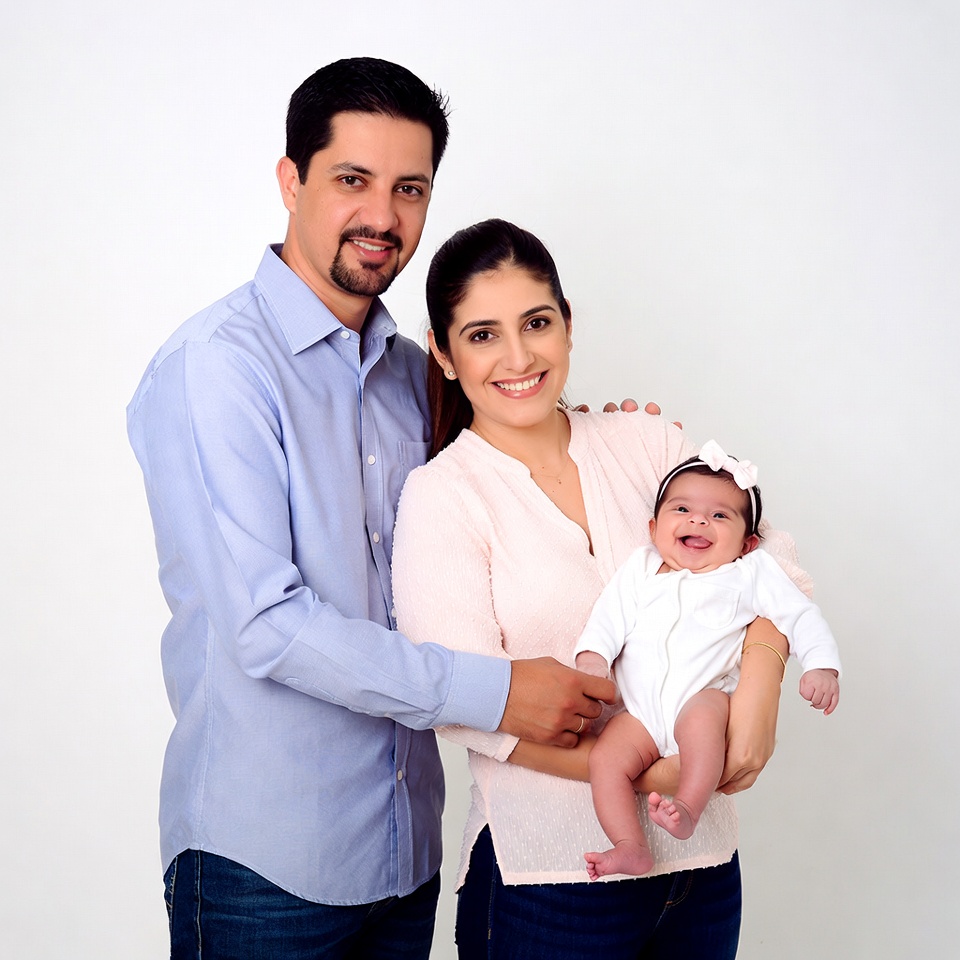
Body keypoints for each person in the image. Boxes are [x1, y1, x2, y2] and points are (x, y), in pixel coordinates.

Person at [126, 60, 614, 959]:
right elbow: (268, 627)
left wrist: (621, 440)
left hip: (406, 855)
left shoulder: (411, 374)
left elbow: (507, 490)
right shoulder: (216, 371)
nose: (384, 217)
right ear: (291, 180)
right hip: (260, 866)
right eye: (353, 180)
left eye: (410, 188)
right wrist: (501, 693)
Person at [392, 218, 812, 959]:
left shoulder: (645, 444)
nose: (519, 357)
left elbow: (768, 553)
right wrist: (655, 772)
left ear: (569, 326)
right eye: (483, 334)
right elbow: (461, 704)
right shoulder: (442, 496)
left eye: (537, 323)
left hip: (703, 871)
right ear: (444, 353)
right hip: (549, 879)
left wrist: (761, 693)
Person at [573, 443, 841, 880]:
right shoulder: (640, 568)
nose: (698, 520)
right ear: (654, 526)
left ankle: (689, 807)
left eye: (720, 516)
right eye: (682, 509)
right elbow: (607, 619)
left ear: (747, 543)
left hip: (704, 695)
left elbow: (799, 614)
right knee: (606, 760)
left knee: (702, 724)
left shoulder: (749, 573)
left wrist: (821, 664)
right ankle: (629, 845)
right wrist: (592, 660)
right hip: (638, 711)